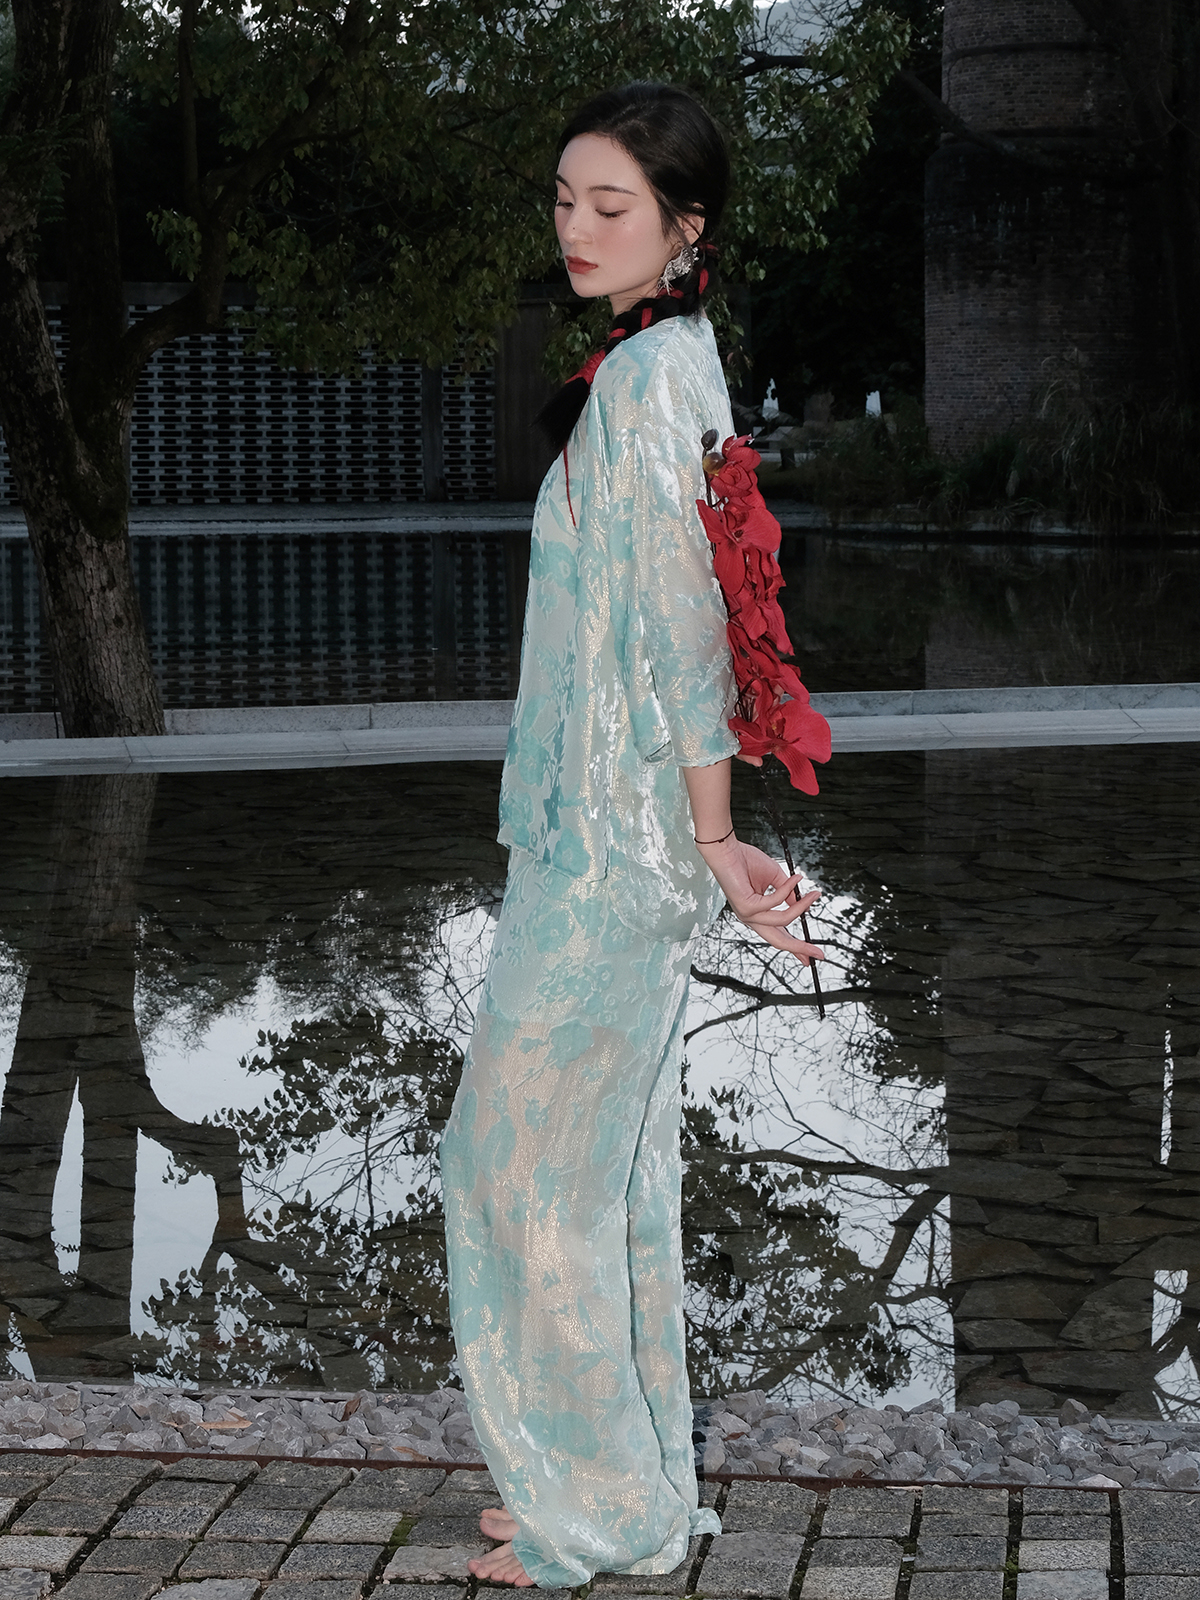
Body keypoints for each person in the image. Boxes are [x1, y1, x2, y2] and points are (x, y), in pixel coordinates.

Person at [439, 82, 823, 1590]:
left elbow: (685, 626)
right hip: (595, 829)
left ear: (684, 224)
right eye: (564, 200)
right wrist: (704, 842)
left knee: (516, 1169)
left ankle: (599, 1512)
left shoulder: (654, 376)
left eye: (612, 205)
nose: (577, 227)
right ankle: (611, 1484)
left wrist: (714, 835)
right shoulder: (659, 361)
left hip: (614, 848)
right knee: (603, 1173)